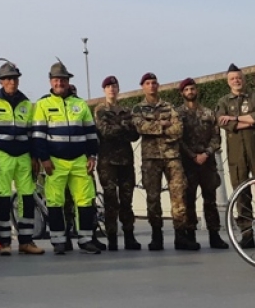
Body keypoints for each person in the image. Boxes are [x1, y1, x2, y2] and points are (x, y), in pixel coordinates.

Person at [31, 60, 100, 256]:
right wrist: (44, 159)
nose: (59, 83)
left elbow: (90, 133)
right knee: (55, 202)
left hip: (80, 160)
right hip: (55, 161)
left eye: (62, 80)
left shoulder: (80, 104)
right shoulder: (43, 105)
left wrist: (92, 156)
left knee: (85, 200)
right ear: (50, 82)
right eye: (56, 80)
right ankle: (59, 241)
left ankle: (86, 239)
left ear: (68, 81)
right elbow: (38, 135)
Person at [0, 60, 44, 255]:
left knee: (27, 198)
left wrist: (34, 157)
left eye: (15, 79)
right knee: (4, 199)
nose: (12, 83)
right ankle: (5, 241)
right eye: (8, 79)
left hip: (24, 155)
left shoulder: (26, 103)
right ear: (1, 82)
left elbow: (33, 133)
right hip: (2, 156)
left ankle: (26, 240)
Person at [131, 72, 195, 251]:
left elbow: (178, 129)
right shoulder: (138, 109)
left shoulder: (168, 106)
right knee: (153, 197)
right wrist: (163, 125)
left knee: (179, 195)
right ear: (143, 87)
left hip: (172, 157)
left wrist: (156, 128)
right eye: (148, 83)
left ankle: (180, 235)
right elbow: (140, 127)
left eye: (154, 83)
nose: (151, 86)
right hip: (151, 159)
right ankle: (156, 235)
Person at [215, 63, 255, 249]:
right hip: (237, 156)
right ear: (228, 82)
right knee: (242, 195)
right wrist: (249, 120)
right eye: (232, 79)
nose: (236, 81)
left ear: (244, 79)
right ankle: (247, 235)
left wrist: (236, 118)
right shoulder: (223, 102)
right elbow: (224, 123)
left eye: (239, 78)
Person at [176, 77, 228, 250]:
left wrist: (206, 153)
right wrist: (193, 156)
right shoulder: (178, 115)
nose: (190, 92)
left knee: (210, 199)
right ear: (182, 93)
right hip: (188, 163)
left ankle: (215, 235)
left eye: (192, 89)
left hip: (207, 162)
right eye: (187, 89)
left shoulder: (208, 113)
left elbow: (216, 137)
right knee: (188, 200)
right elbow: (178, 139)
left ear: (196, 91)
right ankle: (190, 235)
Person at [94, 75, 140, 251]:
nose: (112, 89)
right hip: (108, 162)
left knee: (127, 201)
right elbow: (105, 132)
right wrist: (124, 127)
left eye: (114, 86)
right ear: (104, 90)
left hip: (126, 161)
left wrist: (120, 126)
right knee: (111, 200)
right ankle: (112, 238)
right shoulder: (100, 110)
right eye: (108, 86)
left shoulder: (127, 110)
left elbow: (135, 135)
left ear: (118, 89)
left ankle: (129, 236)